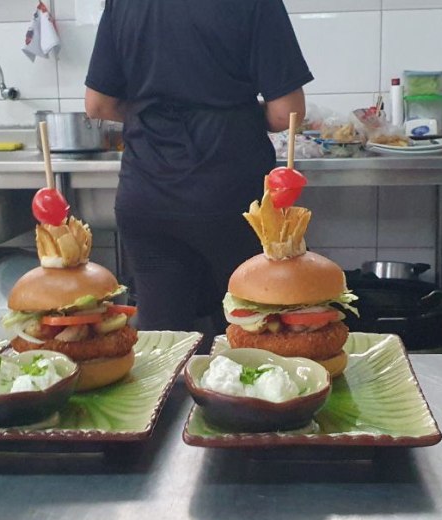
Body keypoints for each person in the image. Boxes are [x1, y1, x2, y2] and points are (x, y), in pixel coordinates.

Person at [83, 0, 312, 347]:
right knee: (251, 330)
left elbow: (98, 104)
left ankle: (168, 383)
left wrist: (155, 112)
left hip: (147, 192)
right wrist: (233, 113)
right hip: (231, 195)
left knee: (163, 342)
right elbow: (286, 113)